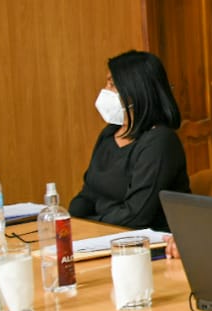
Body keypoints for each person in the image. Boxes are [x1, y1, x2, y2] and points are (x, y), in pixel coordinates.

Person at [70, 50, 190, 232]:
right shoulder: (109, 134)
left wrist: (90, 225)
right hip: (105, 233)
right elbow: (88, 194)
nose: (105, 91)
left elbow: (136, 215)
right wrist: (69, 219)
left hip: (148, 240)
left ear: (135, 90)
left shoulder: (160, 142)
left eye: (112, 84)